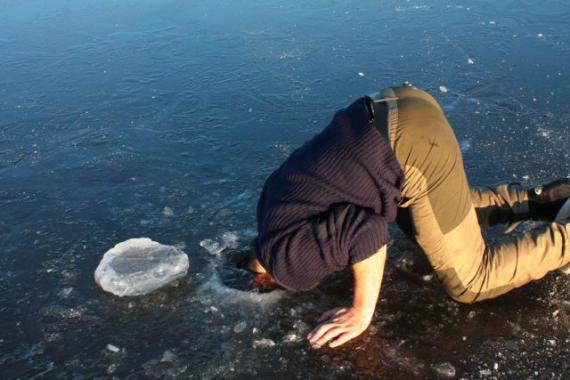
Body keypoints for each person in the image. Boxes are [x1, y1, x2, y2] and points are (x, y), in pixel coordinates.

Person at [245, 85, 570, 349]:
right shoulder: (267, 216)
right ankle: (554, 198)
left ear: (265, 280)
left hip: (411, 146)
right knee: (423, 217)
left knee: (470, 281)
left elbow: (367, 234)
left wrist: (361, 311)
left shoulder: (289, 265)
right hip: (396, 106)